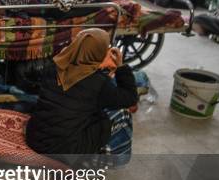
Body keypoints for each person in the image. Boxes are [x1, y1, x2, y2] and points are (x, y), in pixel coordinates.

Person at [25, 28, 138, 157]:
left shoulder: (53, 66)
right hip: (64, 149)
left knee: (81, 109)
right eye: (106, 47)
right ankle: (109, 159)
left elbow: (76, 78)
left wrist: (96, 66)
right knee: (117, 115)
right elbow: (130, 98)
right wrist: (120, 66)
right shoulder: (100, 83)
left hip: (34, 138)